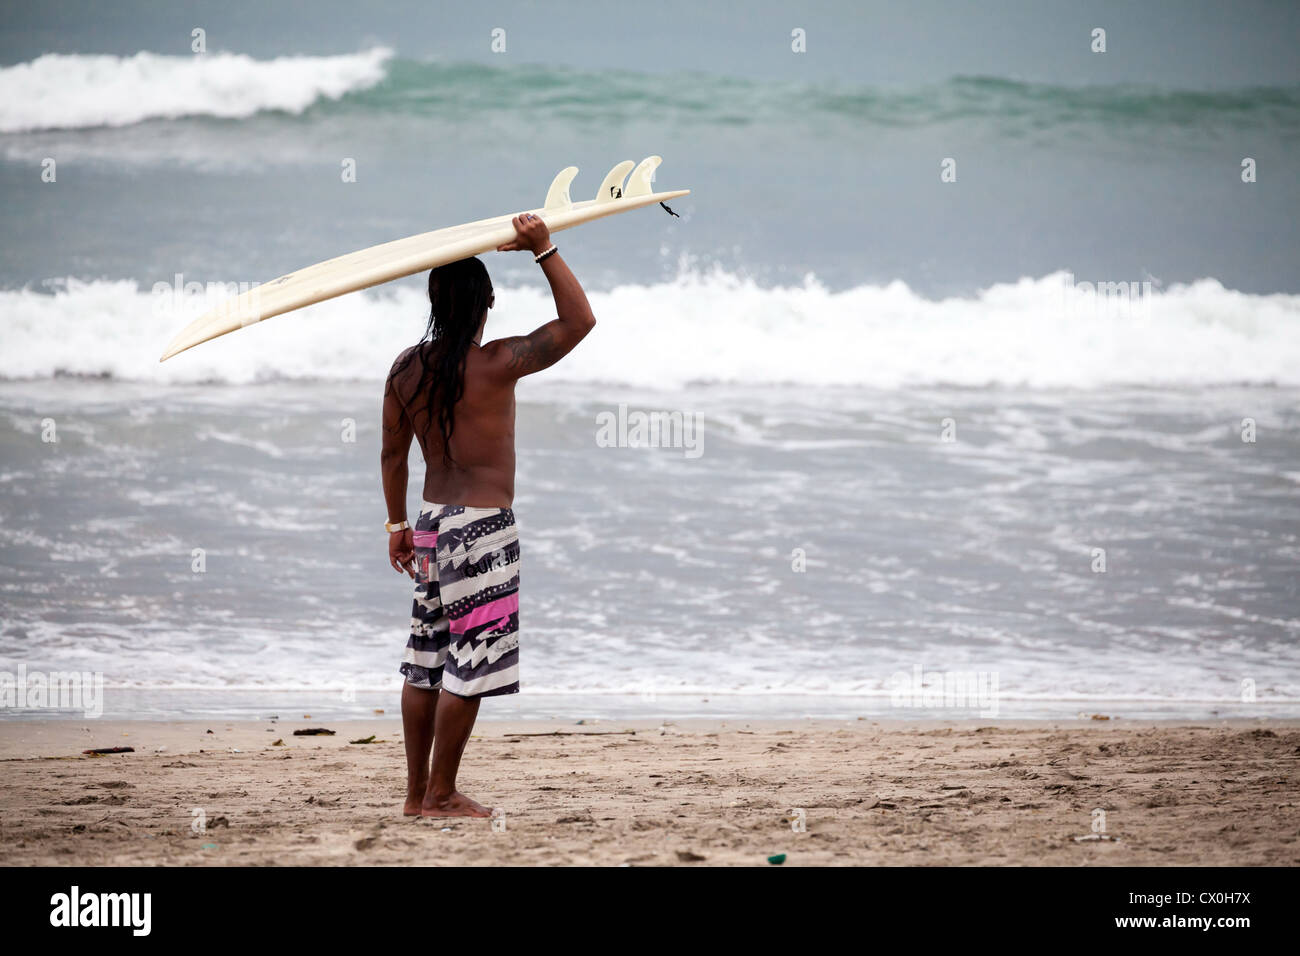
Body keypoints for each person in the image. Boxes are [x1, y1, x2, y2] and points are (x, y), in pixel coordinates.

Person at [380, 213, 596, 817]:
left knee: (426, 659)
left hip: (429, 525)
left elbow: (391, 453)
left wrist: (397, 527)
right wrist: (543, 250)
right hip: (480, 530)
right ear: (488, 302)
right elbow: (580, 321)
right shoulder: (500, 361)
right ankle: (442, 793)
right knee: (470, 661)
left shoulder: (404, 369)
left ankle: (415, 795)